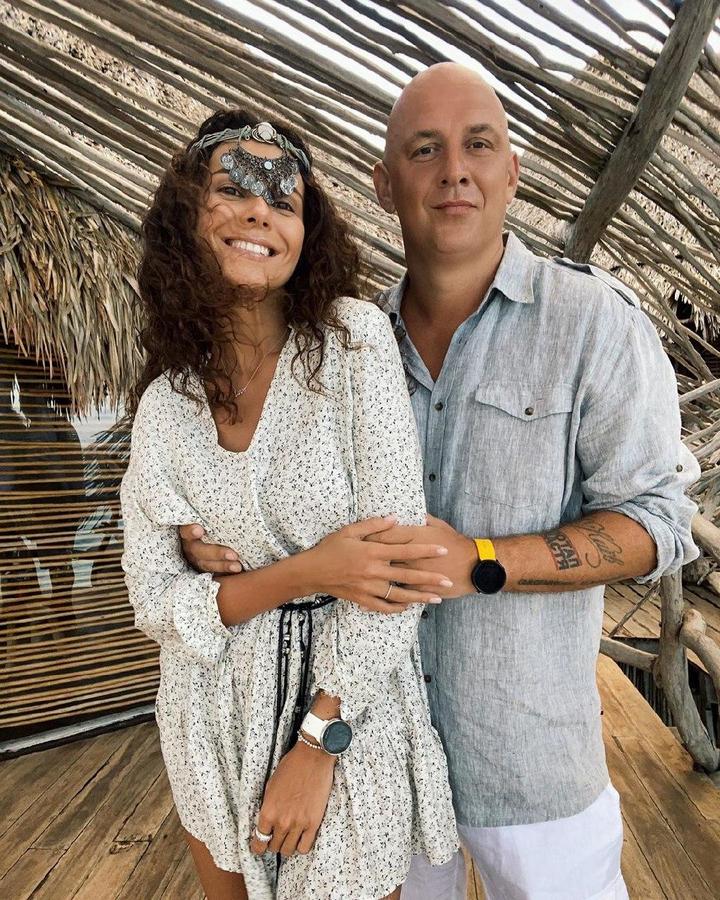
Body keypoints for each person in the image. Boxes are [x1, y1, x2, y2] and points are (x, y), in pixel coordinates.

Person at [182, 66, 701, 900]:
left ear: (512, 172)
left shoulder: (593, 323)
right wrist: (201, 529)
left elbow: (658, 521)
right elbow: (272, 493)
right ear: (385, 184)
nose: (455, 169)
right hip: (376, 765)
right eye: (425, 150)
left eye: (478, 145)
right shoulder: (336, 349)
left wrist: (484, 561)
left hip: (531, 770)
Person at [120, 109, 458, 900]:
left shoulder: (351, 344)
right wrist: (310, 571)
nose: (257, 213)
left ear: (308, 234)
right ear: (186, 213)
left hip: (344, 715)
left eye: (283, 201)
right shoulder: (167, 404)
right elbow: (152, 599)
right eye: (232, 190)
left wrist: (317, 743)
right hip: (209, 718)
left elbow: (401, 570)